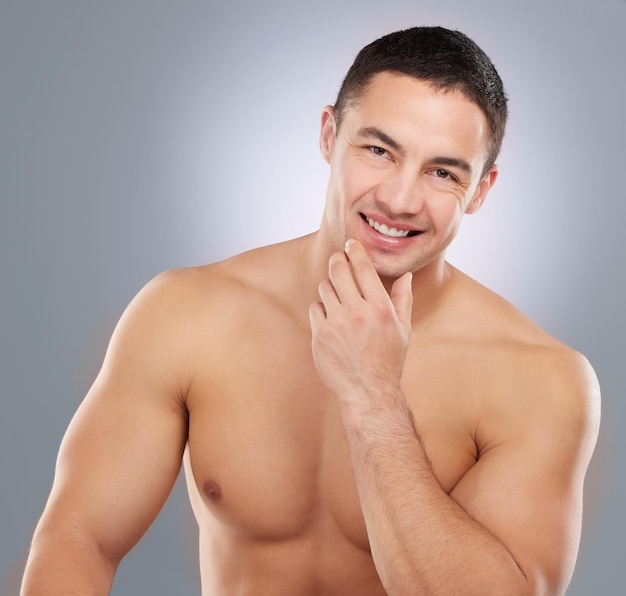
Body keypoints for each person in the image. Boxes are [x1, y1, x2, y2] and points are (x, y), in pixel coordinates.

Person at [21, 26, 600, 595]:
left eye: (442, 172)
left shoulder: (541, 380)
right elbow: (79, 536)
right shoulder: (187, 315)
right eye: (378, 150)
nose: (399, 199)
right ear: (329, 135)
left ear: (480, 190)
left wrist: (373, 395)